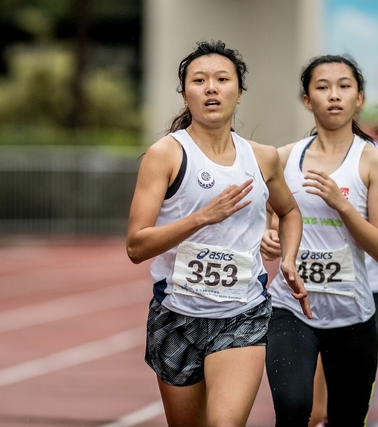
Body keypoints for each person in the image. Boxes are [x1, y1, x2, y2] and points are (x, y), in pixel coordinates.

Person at [126, 40, 311, 427]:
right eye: (199, 80)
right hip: (176, 315)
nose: (211, 87)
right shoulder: (166, 154)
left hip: (241, 313)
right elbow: (136, 245)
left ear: (238, 93)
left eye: (222, 79)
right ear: (185, 94)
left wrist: (289, 259)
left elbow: (290, 211)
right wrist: (202, 218)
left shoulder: (262, 157)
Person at [260, 54, 378, 426]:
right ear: (307, 100)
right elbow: (272, 218)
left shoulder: (373, 162)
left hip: (351, 312)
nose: (334, 95)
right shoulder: (285, 158)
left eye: (344, 86)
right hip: (289, 306)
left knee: (347, 418)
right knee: (293, 408)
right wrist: (268, 236)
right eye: (322, 87)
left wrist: (342, 204)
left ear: (359, 98)